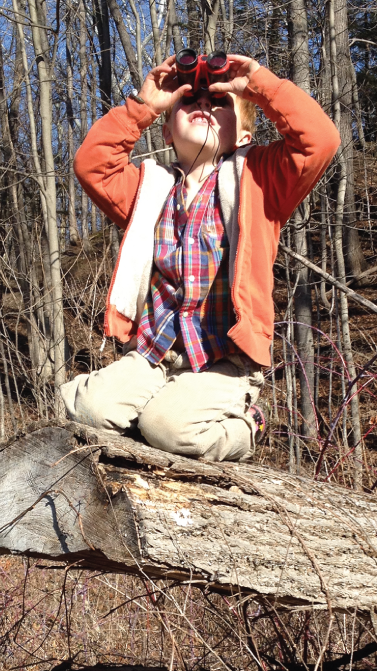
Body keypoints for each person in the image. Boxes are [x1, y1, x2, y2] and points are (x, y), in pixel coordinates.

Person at [62, 52, 340, 462]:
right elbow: (92, 166)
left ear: (243, 136)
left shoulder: (261, 179)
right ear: (167, 134)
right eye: (189, 101)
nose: (204, 106)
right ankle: (142, 402)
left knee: (168, 430)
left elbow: (320, 141)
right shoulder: (148, 189)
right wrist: (143, 107)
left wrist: (259, 87)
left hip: (221, 360)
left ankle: (249, 423)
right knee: (89, 411)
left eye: (220, 103)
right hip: (153, 352)